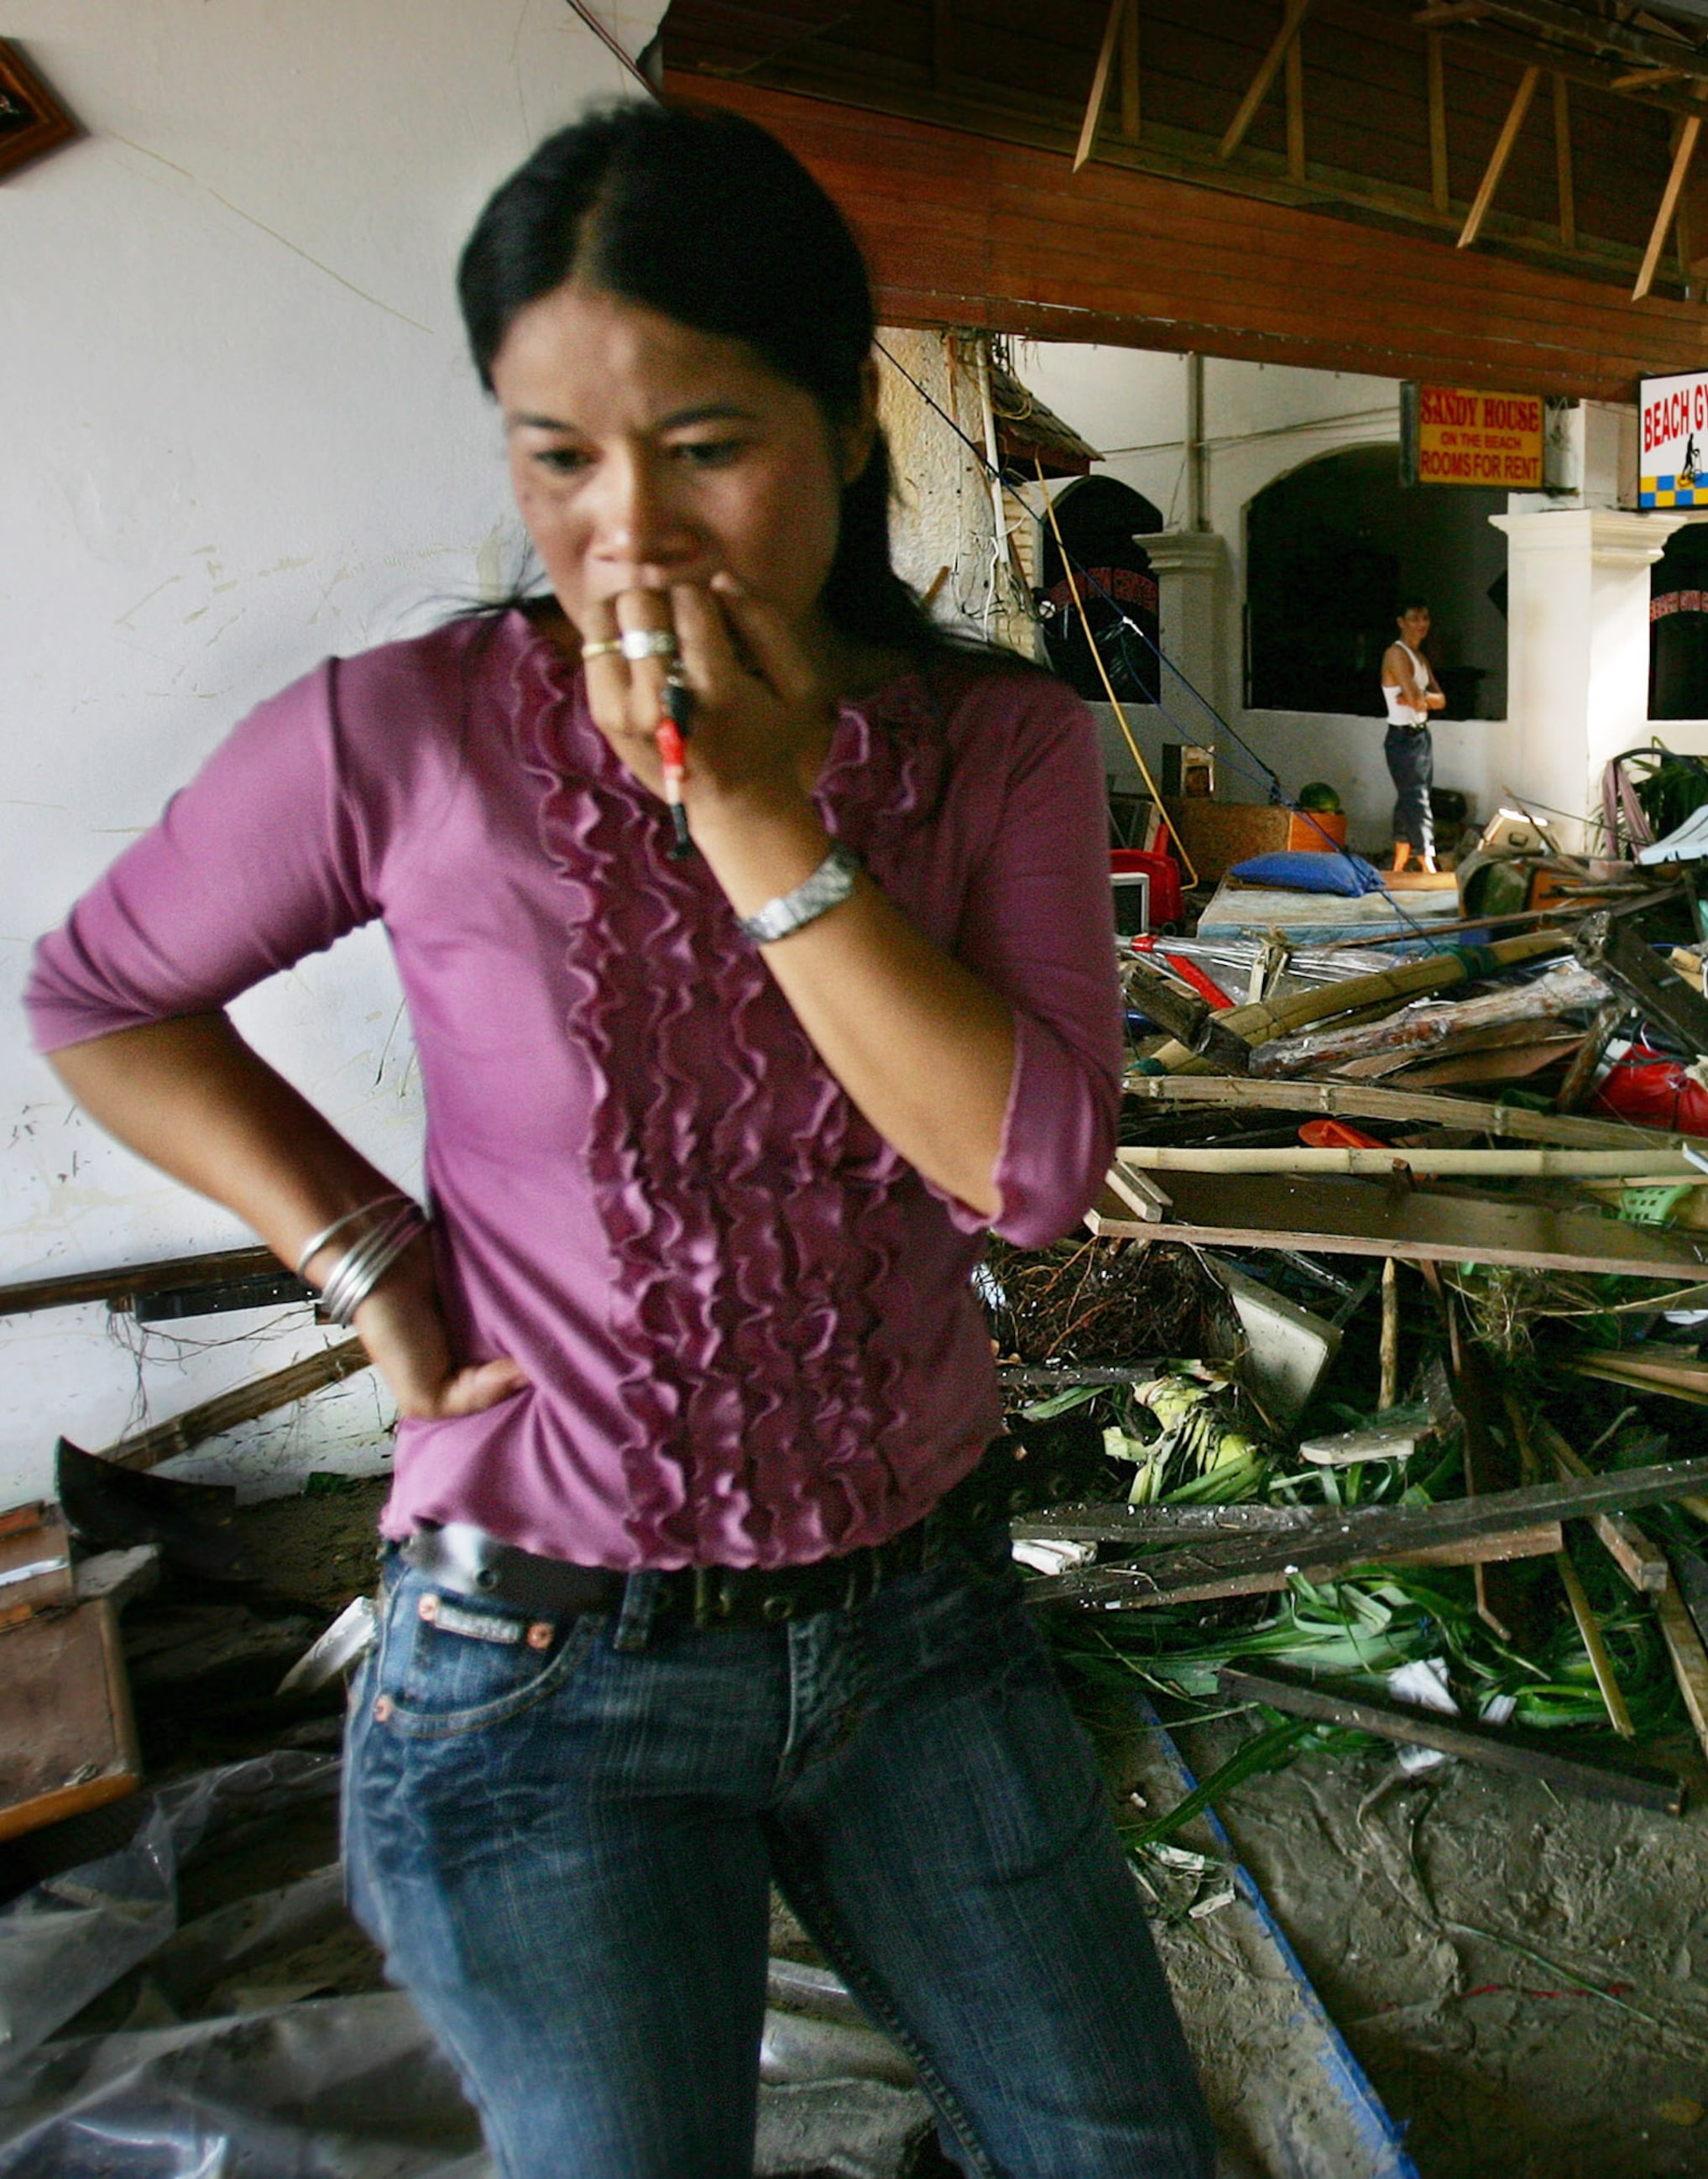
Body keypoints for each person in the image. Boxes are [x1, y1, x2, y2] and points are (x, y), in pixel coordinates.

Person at [24, 103, 1214, 2179]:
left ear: (848, 423)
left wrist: (758, 811)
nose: (627, 536)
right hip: (537, 1666)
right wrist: (363, 1252)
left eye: (703, 442)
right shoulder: (408, 731)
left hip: (921, 1626)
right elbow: (100, 995)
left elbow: (1019, 1174)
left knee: (1117, 2145)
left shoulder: (997, 745)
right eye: (557, 455)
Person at [1380, 598, 1444, 873]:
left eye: (1425, 618)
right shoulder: (1396, 653)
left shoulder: (1421, 658)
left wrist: (1422, 698)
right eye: (1415, 618)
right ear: (1401, 622)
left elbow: (1438, 700)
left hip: (1421, 735)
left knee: (1412, 795)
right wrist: (1421, 699)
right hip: (1402, 736)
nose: (1422, 625)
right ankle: (1426, 859)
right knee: (1416, 797)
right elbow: (1414, 700)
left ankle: (1399, 862)